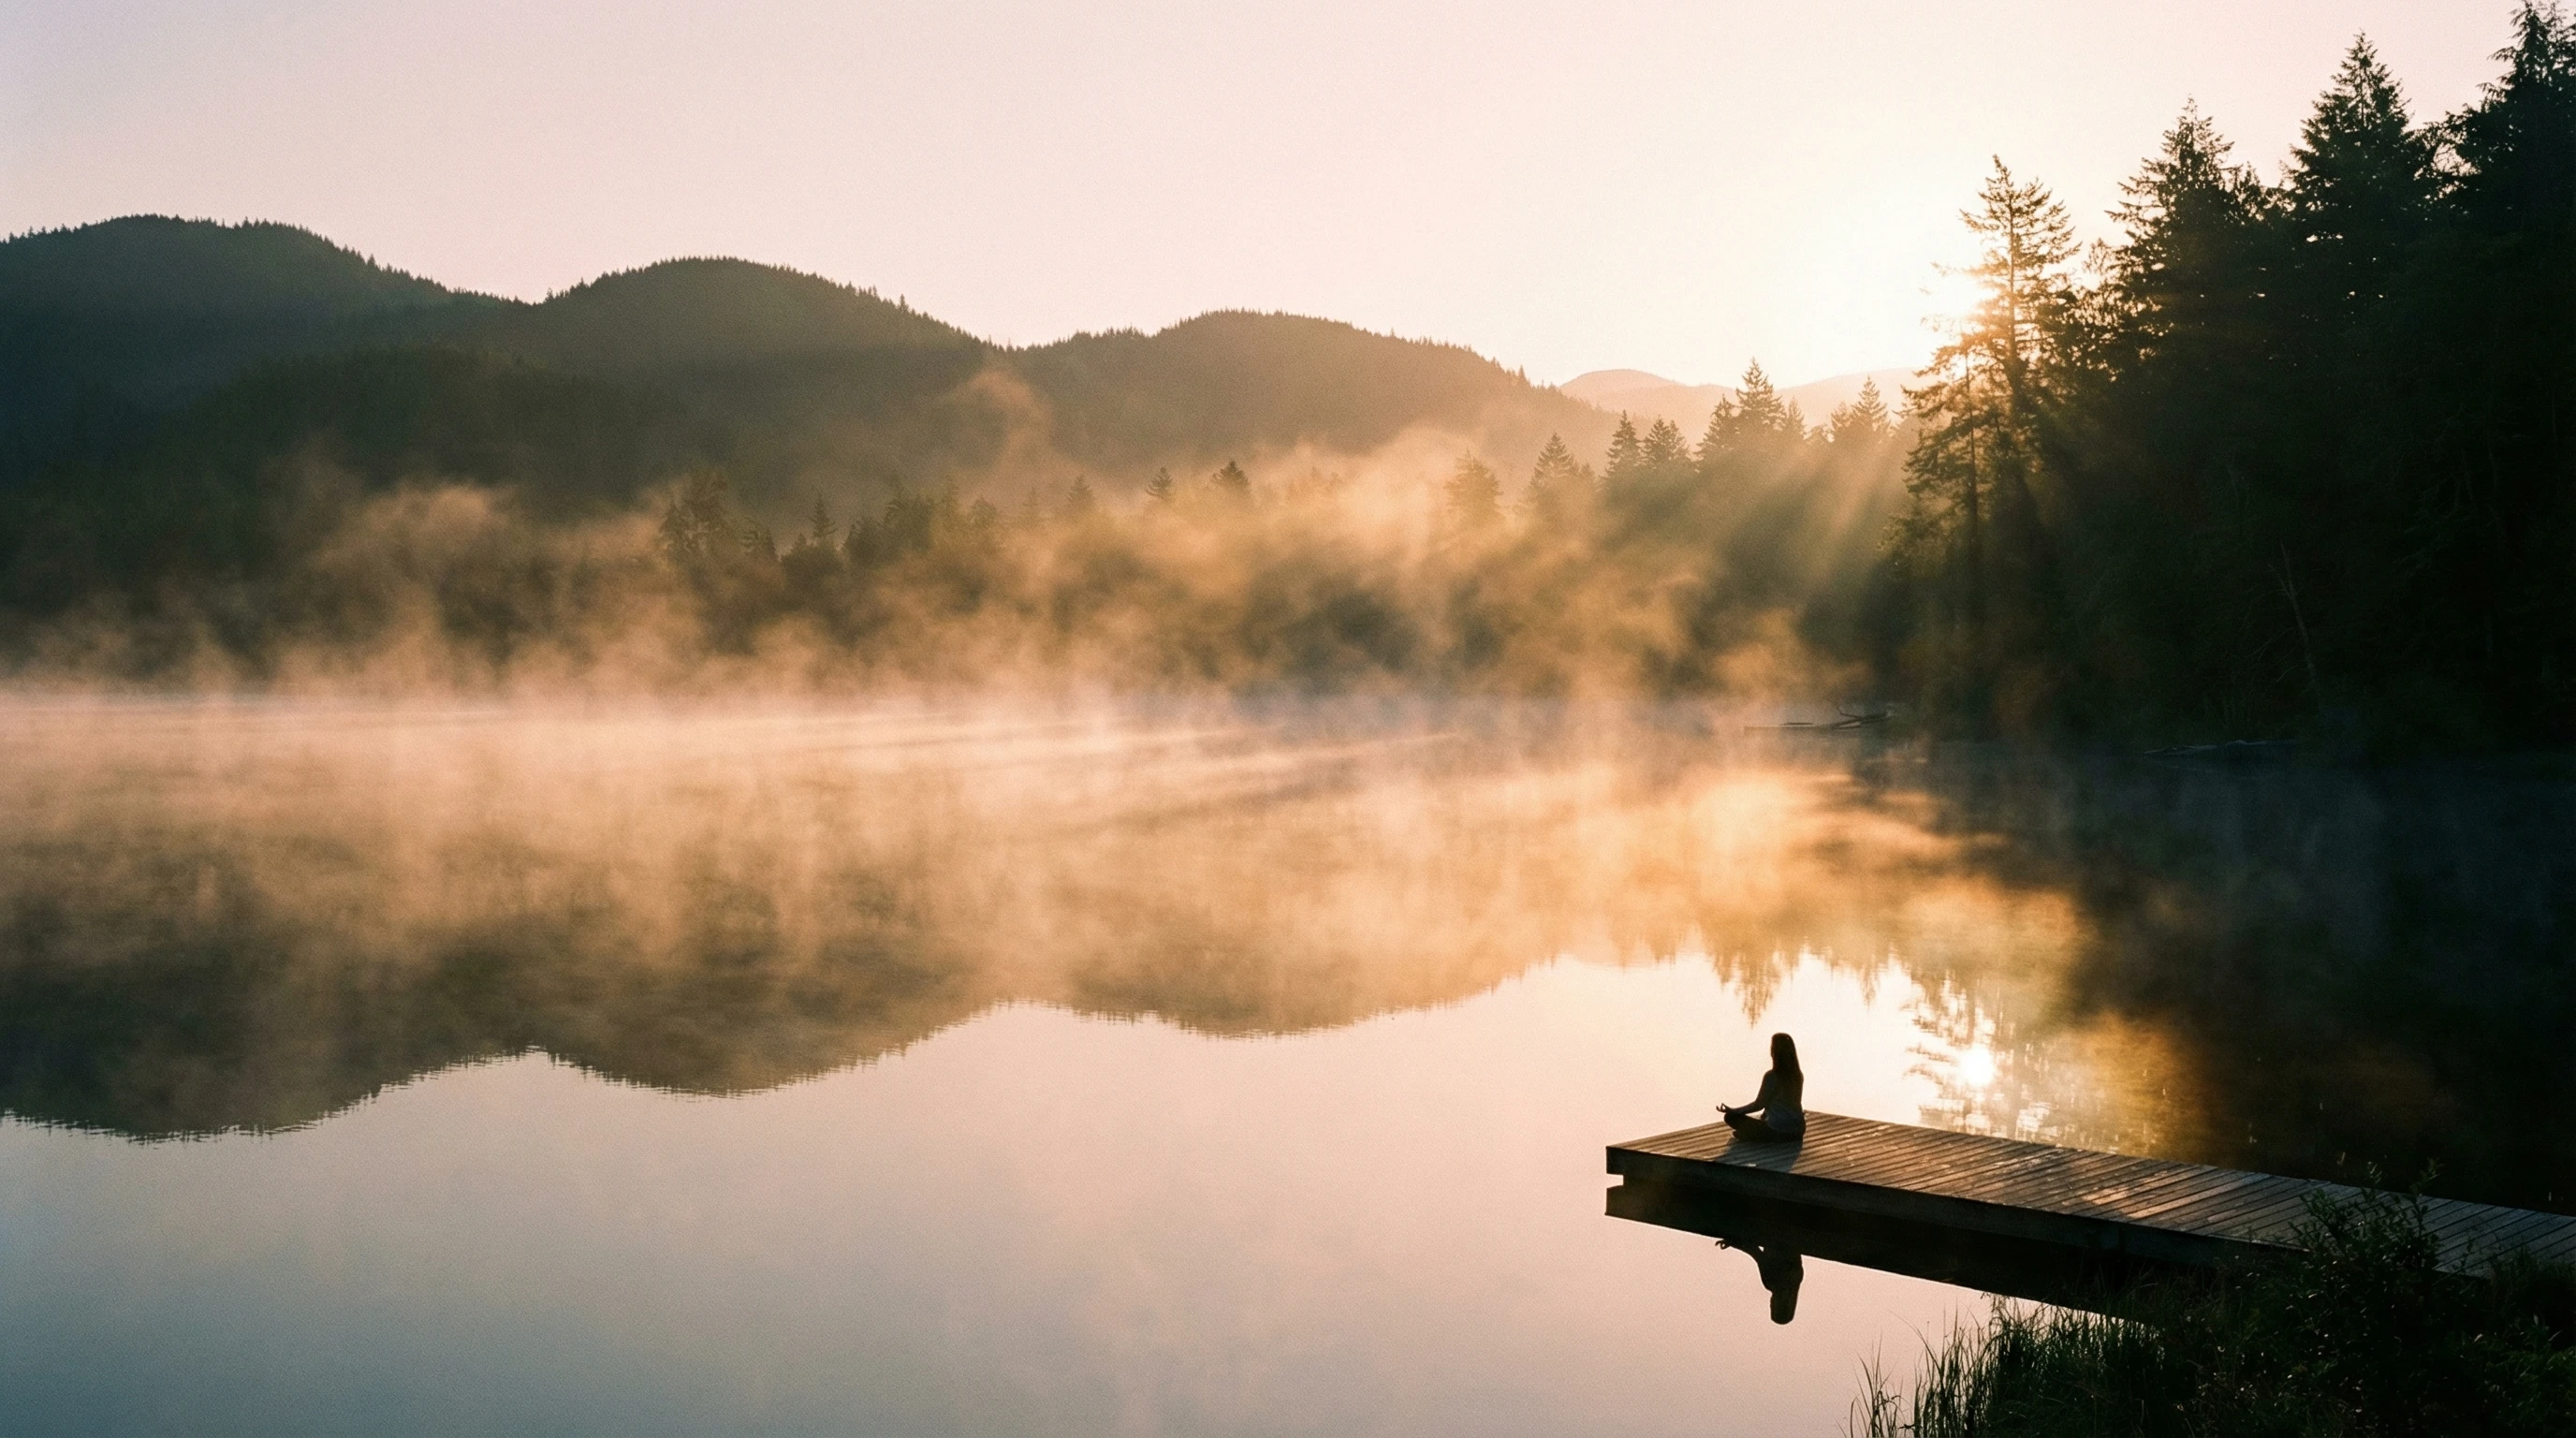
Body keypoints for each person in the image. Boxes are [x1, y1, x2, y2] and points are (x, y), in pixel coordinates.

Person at [1719, 1032, 1805, 1142]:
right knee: (1764, 1119)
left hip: (1777, 1130)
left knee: (1730, 1117)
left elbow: (1758, 1105)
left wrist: (1734, 1111)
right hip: (1798, 1131)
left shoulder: (1772, 1076)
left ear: (1774, 1051)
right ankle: (1754, 1135)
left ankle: (1757, 1136)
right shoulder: (1797, 1075)